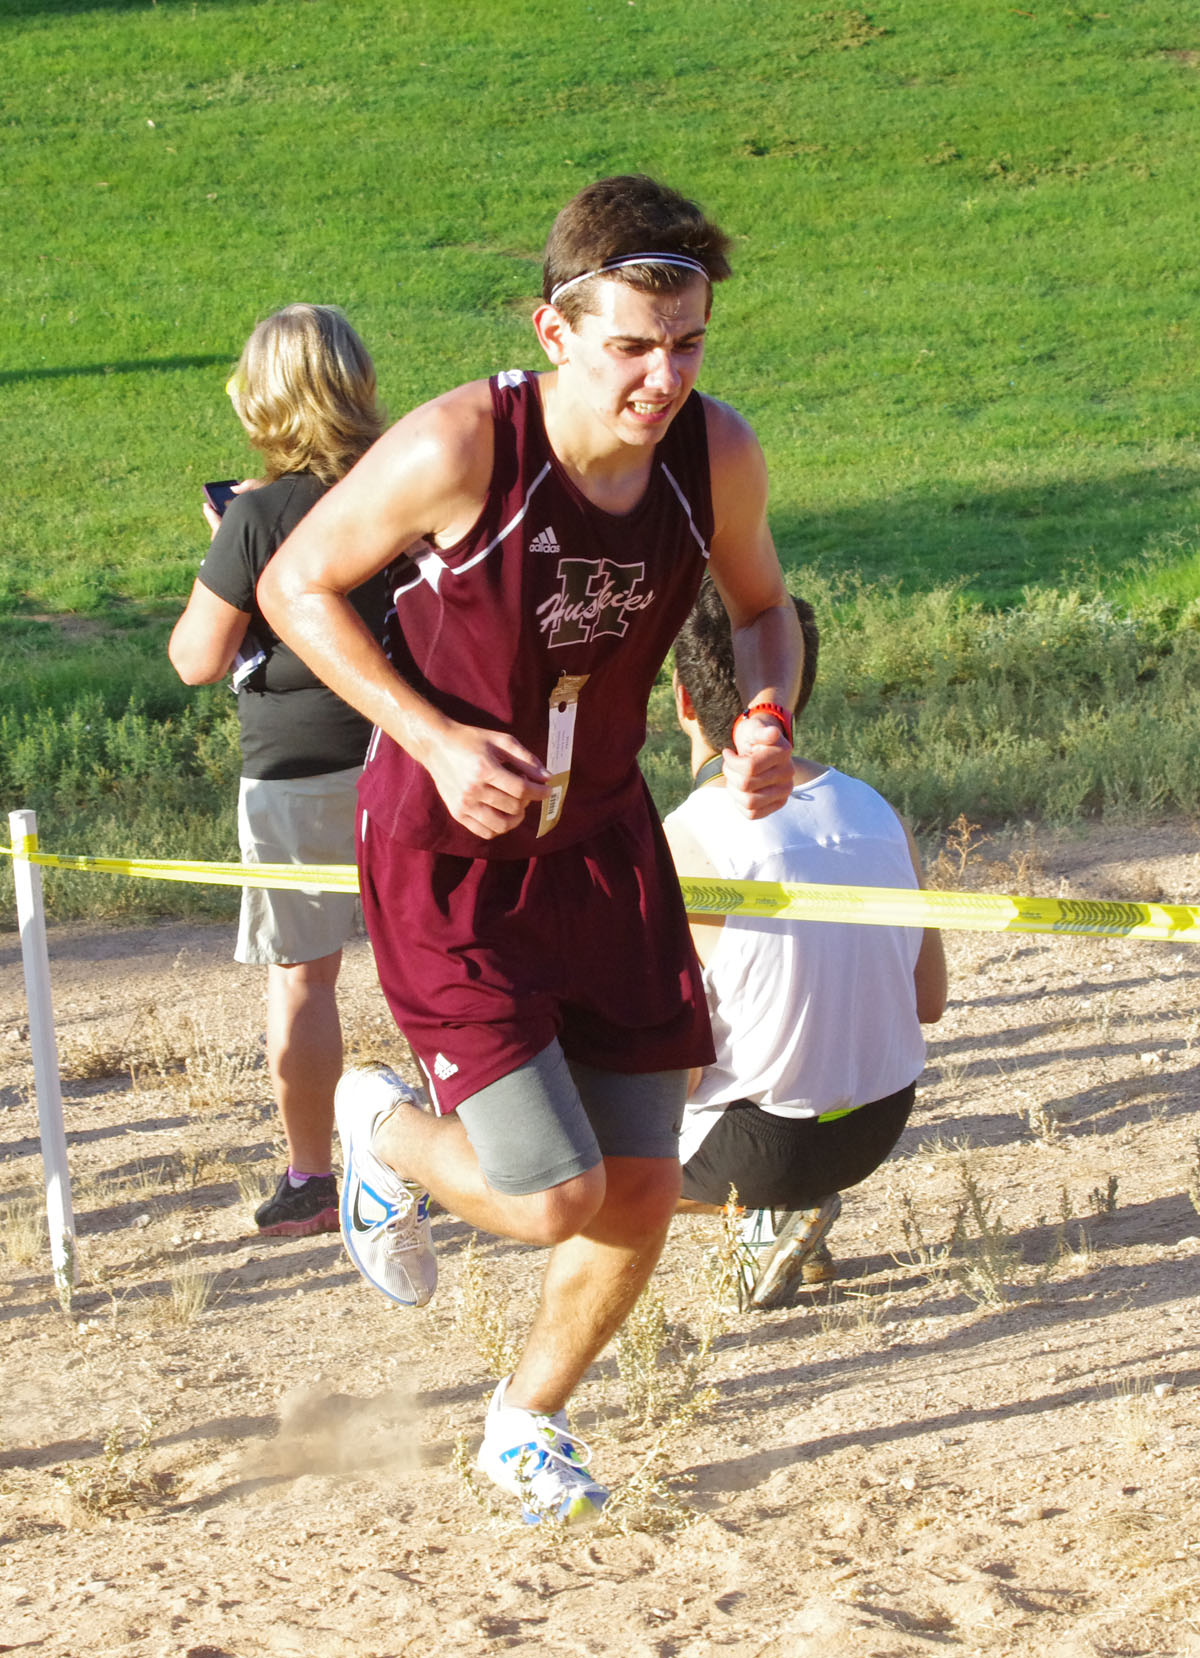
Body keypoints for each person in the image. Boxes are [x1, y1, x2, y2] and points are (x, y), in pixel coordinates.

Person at [257, 175, 805, 1523]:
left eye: (688, 346)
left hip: (603, 842)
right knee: (558, 1193)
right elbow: (292, 585)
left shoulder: (714, 457)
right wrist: (433, 736)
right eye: (632, 347)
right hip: (447, 859)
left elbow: (763, 609)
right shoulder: (463, 447)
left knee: (644, 1187)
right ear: (556, 332)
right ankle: (381, 1131)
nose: (663, 379)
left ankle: (523, 1426)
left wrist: (767, 715)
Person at [665, 577, 948, 1308]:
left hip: (761, 1147)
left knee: (587, 1168)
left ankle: (765, 1210)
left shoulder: (684, 837)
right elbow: (929, 1001)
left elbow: (675, 1067)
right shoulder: (879, 809)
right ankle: (786, 1211)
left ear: (683, 701)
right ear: (795, 692)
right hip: (878, 1126)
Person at [168, 304, 389, 1239]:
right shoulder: (404, 486)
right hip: (410, 759)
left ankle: (311, 1179)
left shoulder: (256, 516)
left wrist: (229, 540)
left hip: (296, 773)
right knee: (437, 968)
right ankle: (475, 1149)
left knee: (304, 981)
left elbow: (195, 658)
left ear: (262, 399)